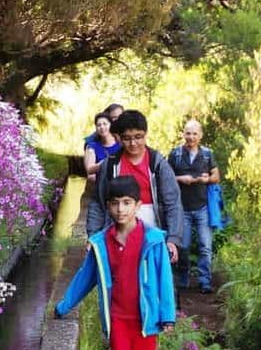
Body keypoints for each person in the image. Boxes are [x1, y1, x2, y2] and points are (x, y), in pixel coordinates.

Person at [55, 176, 176, 350]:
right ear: (108, 206)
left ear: (138, 205)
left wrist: (167, 315)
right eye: (115, 203)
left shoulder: (153, 240)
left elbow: (164, 279)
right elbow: (85, 277)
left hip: (146, 319)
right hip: (117, 318)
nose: (121, 209)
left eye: (127, 202)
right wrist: (63, 306)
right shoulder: (101, 242)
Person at [86, 110, 183, 265]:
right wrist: (93, 236)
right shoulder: (110, 165)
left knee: (149, 276)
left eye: (138, 137)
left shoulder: (157, 164)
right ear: (119, 138)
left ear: (145, 134)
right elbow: (98, 202)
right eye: (127, 138)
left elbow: (173, 203)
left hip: (152, 233)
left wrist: (173, 239)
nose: (133, 143)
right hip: (117, 234)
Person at [167, 120, 220, 294]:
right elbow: (165, 177)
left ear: (200, 135)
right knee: (183, 246)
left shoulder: (207, 154)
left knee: (205, 246)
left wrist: (207, 179)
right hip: (182, 208)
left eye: (195, 133)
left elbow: (216, 176)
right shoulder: (175, 154)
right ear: (183, 134)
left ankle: (205, 281)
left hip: (203, 206)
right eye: (188, 133)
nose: (191, 137)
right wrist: (180, 179)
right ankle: (183, 279)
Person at [84, 112, 121, 182]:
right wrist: (104, 164)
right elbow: (89, 170)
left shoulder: (120, 143)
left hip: (120, 181)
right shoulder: (92, 147)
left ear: (110, 125)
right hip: (101, 182)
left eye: (105, 124)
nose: (102, 127)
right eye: (99, 125)